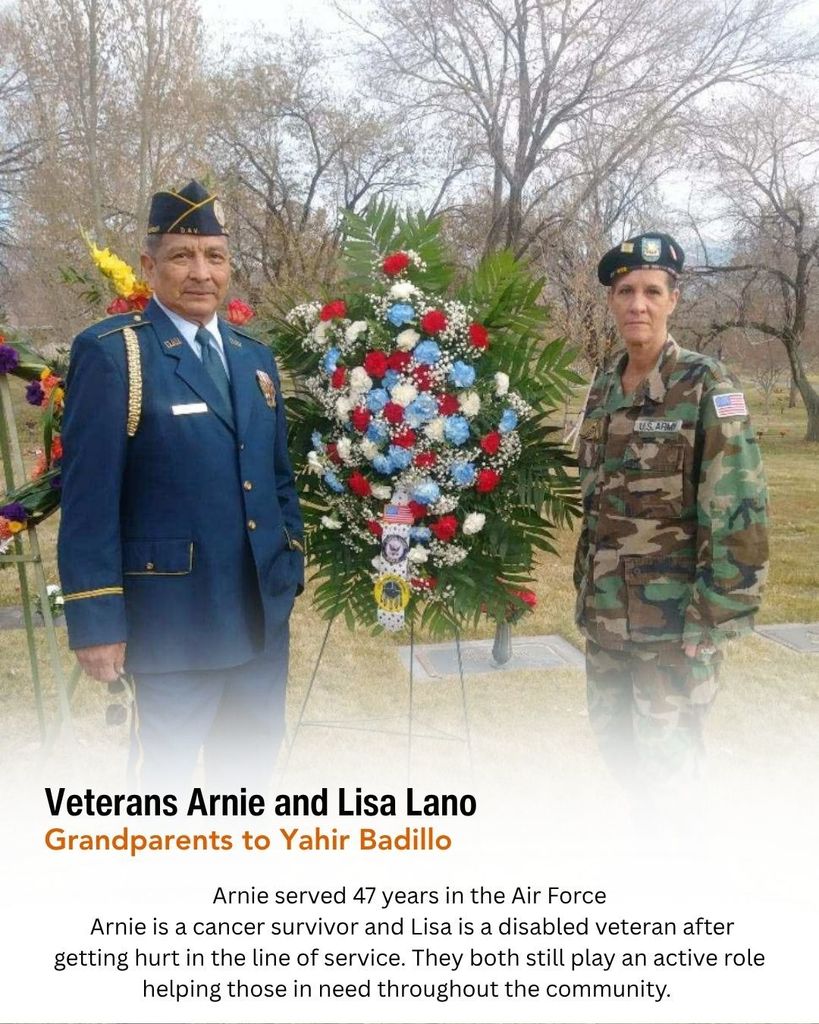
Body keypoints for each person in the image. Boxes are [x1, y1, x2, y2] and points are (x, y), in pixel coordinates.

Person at [57, 180, 304, 791]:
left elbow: (276, 478)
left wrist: (288, 562)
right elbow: (88, 500)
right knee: (160, 789)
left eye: (214, 256)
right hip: (171, 625)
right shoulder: (117, 356)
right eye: (181, 256)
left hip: (259, 620)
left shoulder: (254, 358)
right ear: (148, 266)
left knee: (248, 780)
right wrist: (96, 621)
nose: (201, 273)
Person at [573, 232, 768, 788]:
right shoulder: (605, 384)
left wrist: (715, 615)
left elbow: (739, 505)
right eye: (626, 290)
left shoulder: (705, 383)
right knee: (620, 759)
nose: (638, 304)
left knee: (671, 777)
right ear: (612, 300)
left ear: (672, 301)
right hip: (606, 619)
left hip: (674, 627)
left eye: (652, 291)